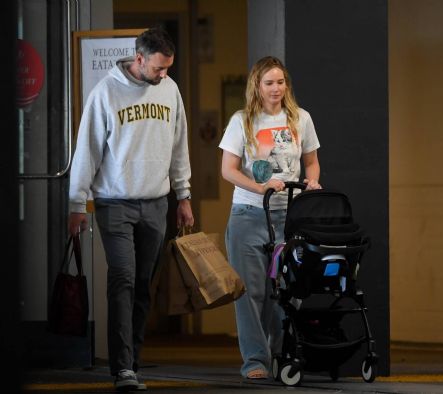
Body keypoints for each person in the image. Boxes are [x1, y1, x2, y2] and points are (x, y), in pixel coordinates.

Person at [68, 26, 194, 391]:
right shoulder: (105, 93)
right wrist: (77, 203)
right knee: (122, 277)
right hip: (114, 203)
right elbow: (87, 151)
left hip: (156, 203)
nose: (163, 75)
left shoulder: (169, 90)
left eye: (168, 68)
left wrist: (183, 196)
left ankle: (132, 360)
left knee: (143, 284)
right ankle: (123, 367)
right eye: (158, 68)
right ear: (139, 59)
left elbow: (179, 144)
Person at [219, 56, 321, 379]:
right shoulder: (242, 121)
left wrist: (313, 180)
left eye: (280, 82)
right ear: (257, 87)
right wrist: (260, 186)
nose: (276, 89)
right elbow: (228, 170)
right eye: (269, 83)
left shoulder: (300, 118)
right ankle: (255, 361)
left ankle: (280, 354)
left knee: (284, 292)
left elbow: (312, 161)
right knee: (251, 293)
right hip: (249, 214)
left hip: (288, 216)